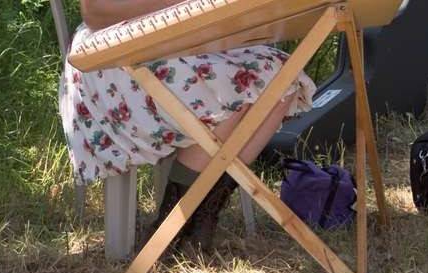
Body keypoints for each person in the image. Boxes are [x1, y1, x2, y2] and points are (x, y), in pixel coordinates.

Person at [59, 0, 317, 253]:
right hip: (114, 53)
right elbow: (94, 11)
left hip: (185, 43)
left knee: (282, 77)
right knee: (237, 88)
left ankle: (203, 214)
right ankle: (170, 224)